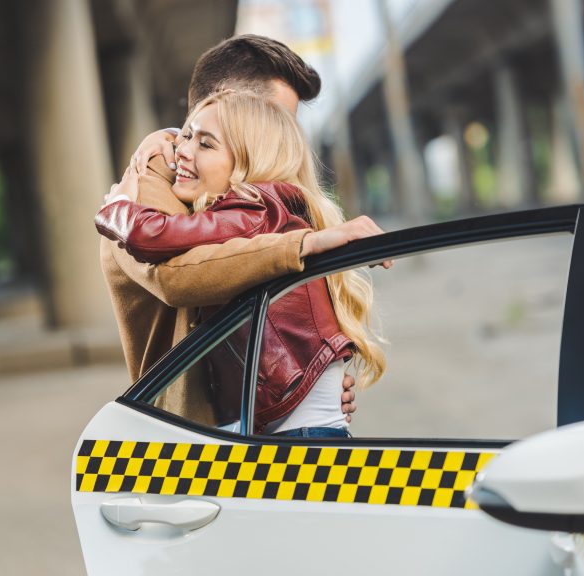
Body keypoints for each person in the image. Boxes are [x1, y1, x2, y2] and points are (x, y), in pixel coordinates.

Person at [102, 34, 385, 426]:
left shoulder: (244, 197)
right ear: (229, 104)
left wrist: (310, 374)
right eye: (270, 119)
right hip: (191, 434)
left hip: (245, 422)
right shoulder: (150, 180)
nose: (279, 139)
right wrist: (302, 245)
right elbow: (176, 274)